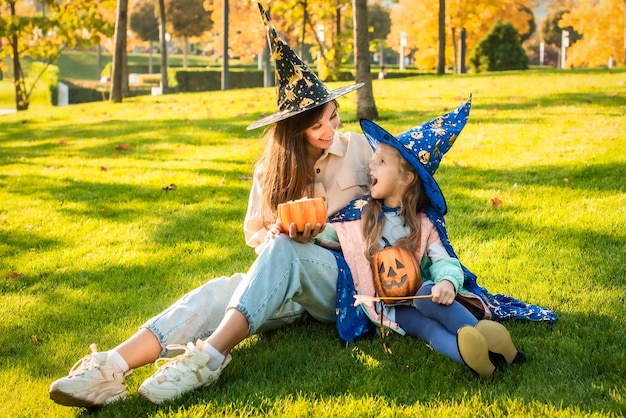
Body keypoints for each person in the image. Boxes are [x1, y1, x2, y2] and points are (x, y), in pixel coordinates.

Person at [49, 4, 372, 407]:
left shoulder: (360, 149)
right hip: (286, 284)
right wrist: (272, 234)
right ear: (293, 130)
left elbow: (391, 214)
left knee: (286, 252)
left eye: (333, 118)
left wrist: (324, 234)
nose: (329, 131)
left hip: (342, 283)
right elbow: (256, 233)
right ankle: (110, 367)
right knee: (219, 291)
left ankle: (208, 359)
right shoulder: (272, 170)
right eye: (316, 125)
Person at [328, 98, 526, 377]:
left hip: (425, 293)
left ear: (406, 178)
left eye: (381, 161)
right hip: (391, 305)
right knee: (427, 328)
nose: (371, 166)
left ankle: (484, 335)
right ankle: (474, 356)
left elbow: (442, 259)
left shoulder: (423, 223)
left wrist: (447, 282)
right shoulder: (362, 216)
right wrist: (294, 229)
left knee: (426, 295)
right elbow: (330, 232)